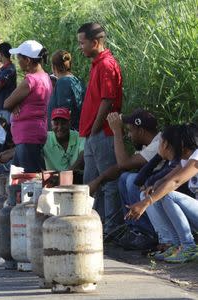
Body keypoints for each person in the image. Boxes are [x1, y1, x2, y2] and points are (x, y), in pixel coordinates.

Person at [126, 124, 198, 263]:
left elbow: (175, 182)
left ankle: (189, 246)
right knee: (161, 192)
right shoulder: (187, 159)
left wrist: (145, 202)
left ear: (182, 144)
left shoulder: (196, 156)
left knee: (168, 194)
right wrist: (155, 187)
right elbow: (168, 178)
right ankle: (177, 246)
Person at [89, 109, 161, 248]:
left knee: (131, 180)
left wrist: (116, 132)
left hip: (161, 193)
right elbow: (121, 167)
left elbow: (123, 163)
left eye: (130, 130)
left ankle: (146, 233)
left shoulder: (158, 144)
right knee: (124, 177)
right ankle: (135, 230)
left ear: (140, 131)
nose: (128, 135)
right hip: (152, 193)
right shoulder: (147, 145)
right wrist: (98, 181)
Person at [77, 22, 123, 236]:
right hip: (92, 134)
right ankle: (95, 228)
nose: (80, 47)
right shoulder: (97, 63)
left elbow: (108, 100)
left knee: (108, 181)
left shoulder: (106, 64)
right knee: (91, 183)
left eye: (82, 43)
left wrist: (95, 127)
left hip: (102, 132)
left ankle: (111, 229)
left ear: (95, 42)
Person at [3, 40, 52, 172]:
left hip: (28, 135)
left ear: (28, 60)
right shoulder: (45, 77)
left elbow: (6, 103)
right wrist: (16, 103)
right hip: (35, 132)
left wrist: (13, 103)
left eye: (19, 58)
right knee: (17, 178)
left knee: (30, 178)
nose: (18, 62)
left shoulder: (31, 80)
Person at [47, 50, 85, 131]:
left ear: (54, 67)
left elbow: (64, 111)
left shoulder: (63, 82)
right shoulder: (77, 81)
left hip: (66, 134)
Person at [42, 108, 84, 173]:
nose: (60, 127)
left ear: (70, 123)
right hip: (52, 179)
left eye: (63, 123)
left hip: (77, 178)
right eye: (56, 124)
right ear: (51, 124)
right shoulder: (44, 138)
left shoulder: (80, 137)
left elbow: (83, 156)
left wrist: (66, 175)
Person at [0, 42, 17, 123]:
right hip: (1, 106)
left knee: (6, 131)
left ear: (1, 53)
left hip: (6, 107)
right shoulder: (5, 68)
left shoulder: (9, 69)